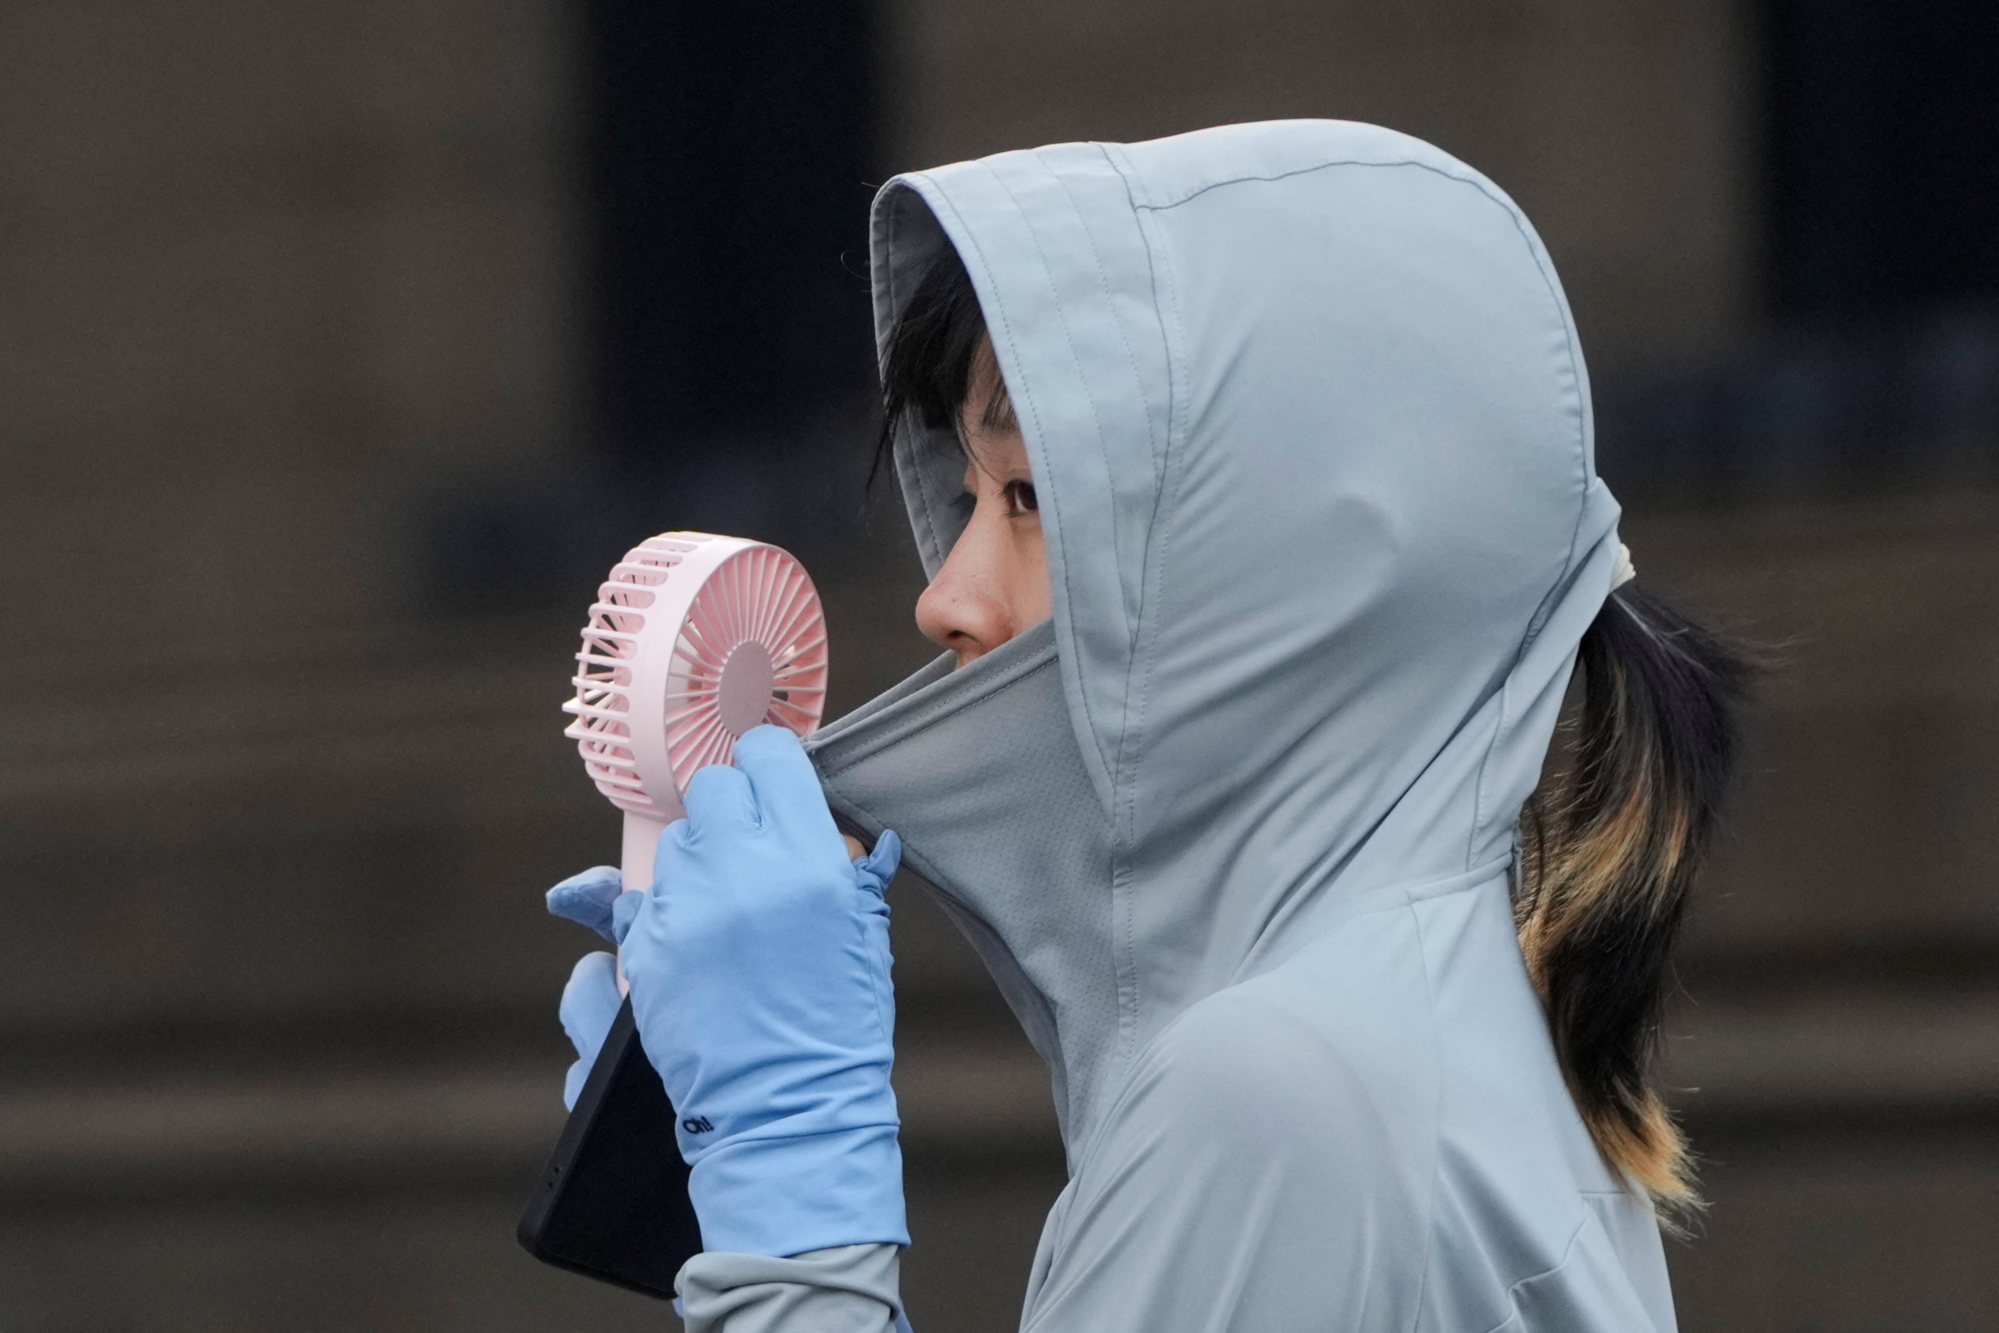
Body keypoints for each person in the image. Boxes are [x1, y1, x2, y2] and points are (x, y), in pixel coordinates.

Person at [546, 120, 1748, 1332]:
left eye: (1028, 498)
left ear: (1283, 570)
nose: (942, 598)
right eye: (973, 494)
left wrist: (791, 1210)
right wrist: (742, 1193)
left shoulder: (1278, 1098)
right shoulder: (1416, 1029)